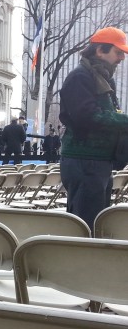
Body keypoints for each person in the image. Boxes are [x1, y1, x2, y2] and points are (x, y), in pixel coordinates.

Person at [59, 26, 128, 230]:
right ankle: (81, 261)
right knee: (86, 226)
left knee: (95, 223)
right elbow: (86, 116)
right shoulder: (80, 77)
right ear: (100, 50)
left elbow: (106, 114)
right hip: (85, 162)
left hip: (97, 162)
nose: (121, 58)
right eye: (118, 52)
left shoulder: (102, 78)